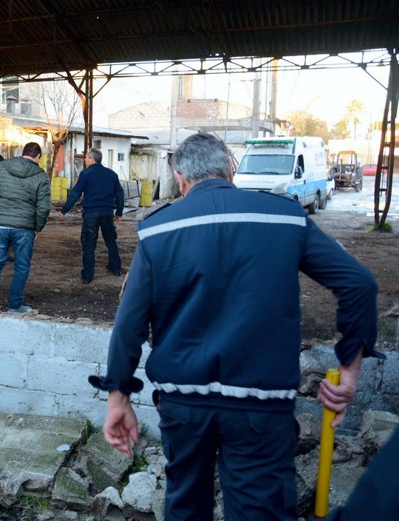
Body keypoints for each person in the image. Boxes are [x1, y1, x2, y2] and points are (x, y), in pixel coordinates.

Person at [90, 132, 381, 521]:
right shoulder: (285, 217)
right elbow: (359, 284)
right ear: (231, 168)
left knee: (185, 508)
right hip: (262, 408)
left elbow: (129, 323)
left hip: (184, 405)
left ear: (179, 178)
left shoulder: (158, 230)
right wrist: (349, 371)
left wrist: (117, 399)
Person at [0, 142, 51, 313]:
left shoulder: (1, 166)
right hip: (24, 227)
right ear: (38, 157)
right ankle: (14, 305)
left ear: (22, 152)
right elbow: (44, 207)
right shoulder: (41, 176)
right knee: (21, 266)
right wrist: (37, 227)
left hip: (0, 225)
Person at [59, 147, 125, 284]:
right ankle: (116, 268)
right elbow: (120, 194)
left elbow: (76, 193)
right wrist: (119, 212)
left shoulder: (85, 174)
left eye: (86, 157)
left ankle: (88, 276)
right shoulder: (112, 174)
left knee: (89, 244)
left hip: (91, 214)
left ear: (92, 159)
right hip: (107, 213)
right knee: (111, 241)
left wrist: (64, 209)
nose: (85, 159)